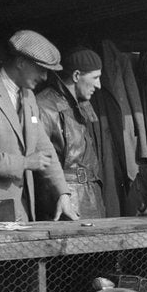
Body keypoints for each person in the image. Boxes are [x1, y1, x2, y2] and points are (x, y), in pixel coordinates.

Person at [0, 29, 77, 223]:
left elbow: (45, 149)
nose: (45, 77)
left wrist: (63, 194)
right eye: (41, 69)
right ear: (21, 63)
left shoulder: (28, 97)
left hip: (22, 211)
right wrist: (26, 163)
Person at [37, 47, 107, 218]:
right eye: (95, 78)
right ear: (76, 76)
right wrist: (62, 194)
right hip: (65, 201)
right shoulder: (44, 106)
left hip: (90, 196)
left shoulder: (82, 104)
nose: (98, 85)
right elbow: (42, 162)